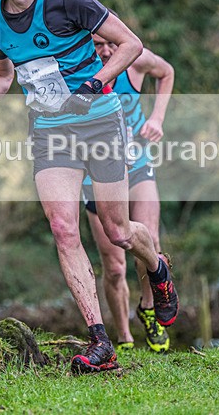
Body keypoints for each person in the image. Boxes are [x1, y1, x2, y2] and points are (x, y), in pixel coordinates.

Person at [0, 0, 178, 374]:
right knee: (64, 228)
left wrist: (94, 83)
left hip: (99, 120)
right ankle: (100, 342)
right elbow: (2, 75)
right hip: (49, 130)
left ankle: (158, 269)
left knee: (118, 232)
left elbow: (131, 45)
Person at [82, 32, 175, 353]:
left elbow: (166, 72)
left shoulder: (135, 61)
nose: (107, 51)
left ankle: (149, 310)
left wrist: (157, 118)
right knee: (114, 266)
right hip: (95, 175)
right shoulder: (77, 67)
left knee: (150, 240)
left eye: (112, 43)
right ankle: (123, 337)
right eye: (98, 44)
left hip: (137, 165)